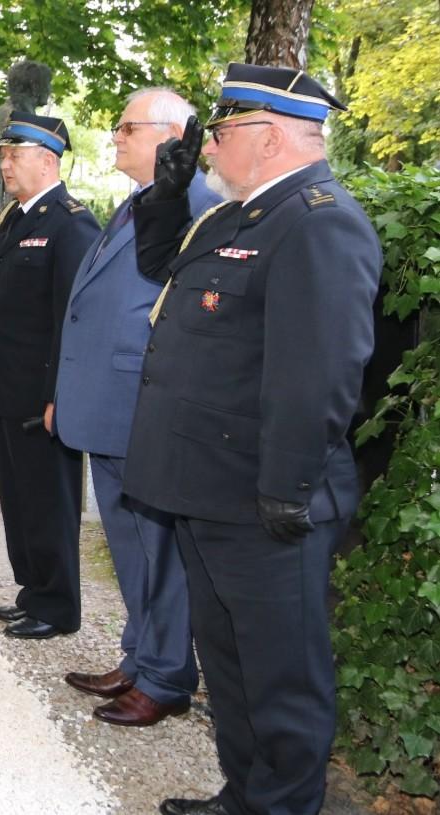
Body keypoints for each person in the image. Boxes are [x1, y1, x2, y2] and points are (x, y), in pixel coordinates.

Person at [126, 64, 380, 815]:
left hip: (265, 497)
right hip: (209, 485)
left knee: (282, 679)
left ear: (268, 138)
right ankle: (245, 796)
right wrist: (164, 197)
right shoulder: (237, 217)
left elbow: (320, 373)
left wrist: (287, 487)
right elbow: (162, 271)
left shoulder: (320, 221)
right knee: (231, 665)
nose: (207, 148)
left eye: (221, 132)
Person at [52, 89, 220, 727]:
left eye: (128, 127)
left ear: (173, 136)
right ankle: (140, 656)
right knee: (128, 545)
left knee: (160, 550)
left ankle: (168, 677)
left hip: (144, 405)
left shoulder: (198, 206)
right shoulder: (138, 201)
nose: (115, 137)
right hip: (109, 403)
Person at [0, 112, 101, 639]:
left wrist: (60, 396)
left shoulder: (71, 223)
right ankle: (33, 593)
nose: (5, 165)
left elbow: (72, 321)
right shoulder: (17, 217)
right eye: (4, 156)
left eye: (15, 156)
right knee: (18, 500)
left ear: (48, 161)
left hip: (40, 395)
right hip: (7, 386)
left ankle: (58, 607)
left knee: (49, 502)